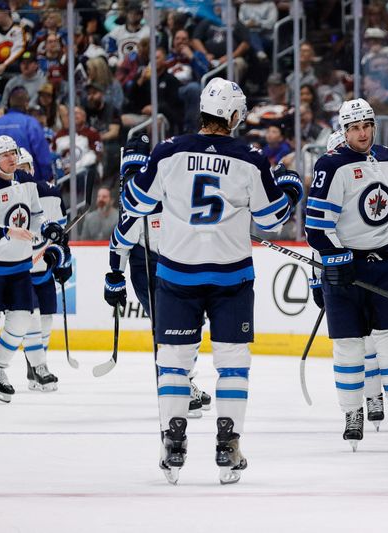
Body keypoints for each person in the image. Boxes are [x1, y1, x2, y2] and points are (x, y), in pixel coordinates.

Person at [119, 78, 302, 485]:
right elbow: (273, 220)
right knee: (233, 364)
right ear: (235, 117)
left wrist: (133, 171)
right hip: (231, 276)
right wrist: (289, 191)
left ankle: (174, 441)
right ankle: (227, 444)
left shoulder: (168, 151)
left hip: (177, 274)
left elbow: (136, 204)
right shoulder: (251, 158)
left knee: (174, 364)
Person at [305, 98, 388, 451]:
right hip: (344, 267)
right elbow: (317, 228)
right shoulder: (331, 165)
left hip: (385, 266)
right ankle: (353, 414)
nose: (362, 133)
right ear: (343, 130)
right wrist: (335, 262)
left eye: (366, 125)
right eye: (354, 128)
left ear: (374, 125)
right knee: (349, 348)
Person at [104, 139, 211, 416]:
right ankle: (175, 387)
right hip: (148, 270)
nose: (133, 182)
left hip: (180, 263)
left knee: (193, 322)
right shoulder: (133, 208)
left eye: (137, 174)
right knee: (168, 328)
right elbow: (119, 243)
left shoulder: (171, 193)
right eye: (128, 175)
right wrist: (115, 276)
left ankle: (184, 380)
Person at [0, 135, 63, 404]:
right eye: (4, 154)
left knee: (22, 319)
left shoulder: (27, 184)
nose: (11, 157)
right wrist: (7, 231)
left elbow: (36, 216)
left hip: (18, 265)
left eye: (13, 152)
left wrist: (47, 229)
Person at [14, 148, 68, 392]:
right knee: (31, 319)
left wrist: (64, 260)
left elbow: (61, 237)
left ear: (32, 170)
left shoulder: (50, 194)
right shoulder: (7, 196)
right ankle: (39, 367)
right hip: (20, 272)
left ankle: (36, 367)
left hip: (43, 269)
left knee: (45, 319)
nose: (23, 173)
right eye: (18, 169)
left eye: (25, 168)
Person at [0, 87, 53, 181]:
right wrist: (45, 181)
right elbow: (43, 158)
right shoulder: (30, 123)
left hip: (1, 184)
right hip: (28, 183)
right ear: (26, 104)